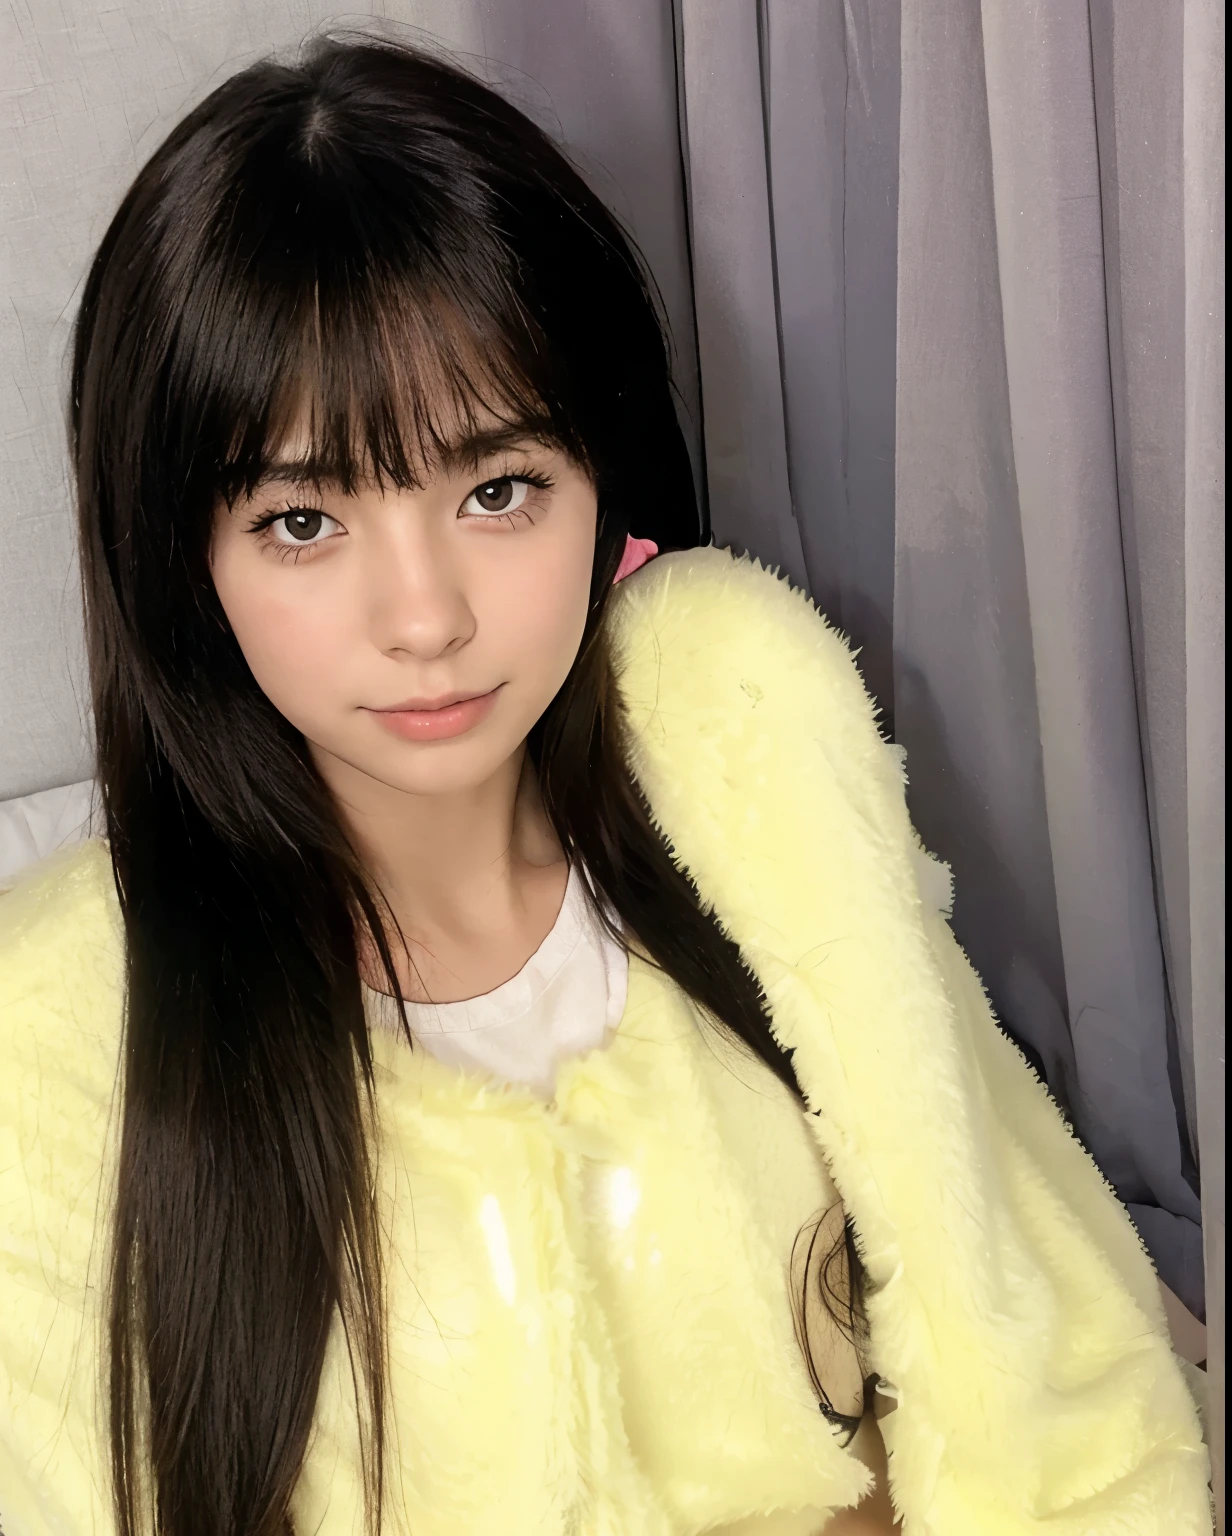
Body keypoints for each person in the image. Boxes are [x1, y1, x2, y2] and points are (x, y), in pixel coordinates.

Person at [0, 33, 1210, 1536]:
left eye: (497, 491)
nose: (425, 615)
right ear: (185, 557)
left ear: (600, 490)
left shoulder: (755, 803)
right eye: (305, 521)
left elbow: (1047, 1336)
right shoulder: (55, 1040)